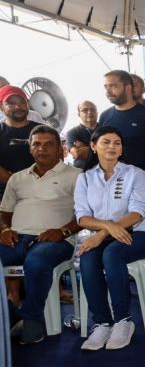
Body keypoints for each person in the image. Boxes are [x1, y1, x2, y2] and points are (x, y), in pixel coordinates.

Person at [74, 126, 145, 351]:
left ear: (122, 149)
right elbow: (82, 217)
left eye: (117, 143)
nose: (112, 147)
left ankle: (122, 321)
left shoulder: (136, 174)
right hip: (106, 235)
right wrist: (107, 227)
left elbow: (137, 212)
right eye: (106, 142)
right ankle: (102, 322)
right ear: (93, 146)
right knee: (88, 257)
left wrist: (102, 233)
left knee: (112, 253)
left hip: (139, 233)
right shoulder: (85, 178)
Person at [0, 125, 81, 344]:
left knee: (36, 261)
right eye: (36, 143)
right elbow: (4, 213)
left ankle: (32, 321)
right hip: (16, 238)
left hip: (56, 240)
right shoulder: (17, 178)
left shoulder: (76, 176)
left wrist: (63, 231)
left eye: (48, 144)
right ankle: (8, 313)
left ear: (60, 148)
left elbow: (86, 215)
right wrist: (5, 229)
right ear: (29, 148)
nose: (42, 149)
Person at [98, 70, 145, 299]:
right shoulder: (105, 117)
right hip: (113, 189)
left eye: (113, 86)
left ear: (128, 87)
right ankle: (122, 277)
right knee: (114, 229)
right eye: (106, 87)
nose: (108, 91)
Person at [0, 86, 42, 199]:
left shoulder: (42, 130)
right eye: (11, 103)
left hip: (42, 190)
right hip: (7, 194)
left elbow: (56, 157)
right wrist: (16, 182)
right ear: (1, 107)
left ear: (27, 104)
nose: (18, 106)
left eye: (22, 102)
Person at [66, 100, 98, 169]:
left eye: (92, 109)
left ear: (97, 112)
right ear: (78, 114)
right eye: (85, 110)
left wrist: (87, 149)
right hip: (82, 174)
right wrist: (100, 149)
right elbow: (76, 153)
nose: (89, 112)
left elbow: (112, 151)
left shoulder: (106, 130)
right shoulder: (72, 133)